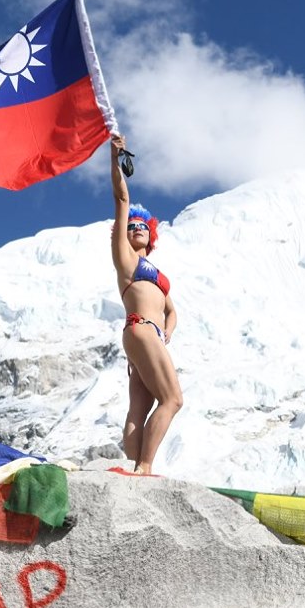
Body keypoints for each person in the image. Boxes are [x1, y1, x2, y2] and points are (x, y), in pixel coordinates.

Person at [110, 135, 183, 475]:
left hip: (146, 333)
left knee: (140, 408)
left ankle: (133, 466)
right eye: (131, 226)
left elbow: (171, 310)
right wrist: (115, 159)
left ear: (151, 234)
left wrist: (166, 333)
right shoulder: (125, 260)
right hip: (139, 327)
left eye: (142, 226)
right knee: (173, 399)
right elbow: (122, 198)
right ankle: (145, 467)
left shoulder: (156, 273)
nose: (136, 229)